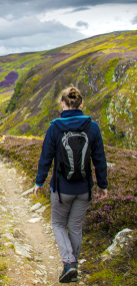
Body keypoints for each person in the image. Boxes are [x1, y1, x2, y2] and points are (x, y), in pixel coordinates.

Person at [34, 86, 108, 283]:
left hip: (61, 190)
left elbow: (45, 158)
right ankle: (73, 265)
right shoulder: (92, 127)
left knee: (58, 224)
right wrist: (103, 186)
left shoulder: (55, 128)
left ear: (63, 104)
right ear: (81, 104)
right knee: (75, 227)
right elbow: (99, 159)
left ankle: (69, 263)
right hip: (84, 190)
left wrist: (39, 182)